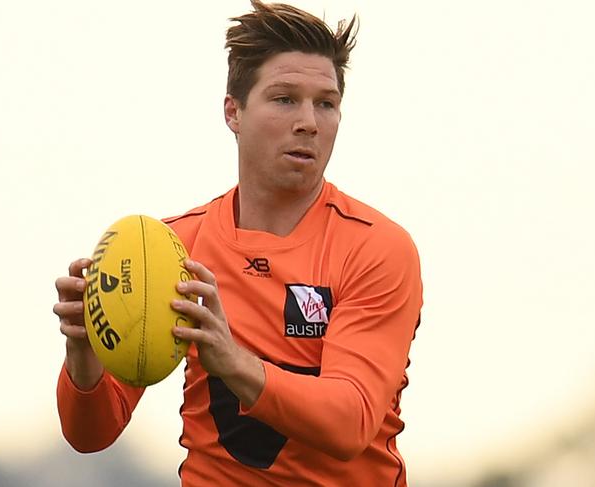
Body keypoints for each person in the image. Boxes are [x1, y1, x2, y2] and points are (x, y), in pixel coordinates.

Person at [53, 1, 423, 486]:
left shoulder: (376, 248)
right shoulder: (170, 249)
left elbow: (349, 420)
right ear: (234, 111)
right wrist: (84, 358)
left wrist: (234, 362)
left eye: (326, 103)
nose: (309, 121)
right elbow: (91, 435)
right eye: (285, 99)